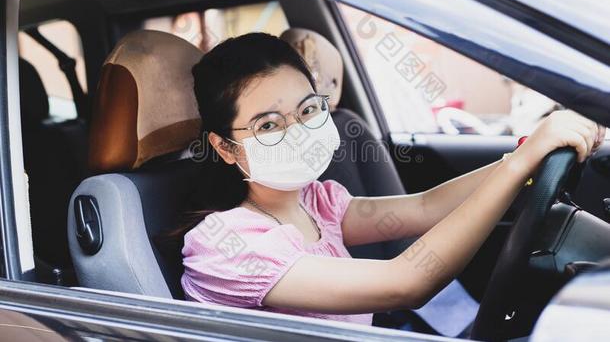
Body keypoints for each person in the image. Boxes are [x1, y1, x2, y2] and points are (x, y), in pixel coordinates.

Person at [180, 32, 604, 327]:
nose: (298, 130)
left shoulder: (315, 201)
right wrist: (517, 167)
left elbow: (423, 207)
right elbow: (406, 283)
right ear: (225, 147)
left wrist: (527, 158)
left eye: (308, 110)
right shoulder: (226, 244)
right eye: (269, 125)